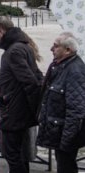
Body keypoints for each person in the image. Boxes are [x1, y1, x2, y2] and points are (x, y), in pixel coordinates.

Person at [0, 16, 43, 173]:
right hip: (19, 111)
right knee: (20, 155)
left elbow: (30, 82)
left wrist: (35, 108)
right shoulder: (23, 47)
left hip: (14, 113)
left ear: (0, 31)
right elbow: (36, 77)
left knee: (12, 155)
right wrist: (0, 87)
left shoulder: (14, 51)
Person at [36, 32, 85, 173]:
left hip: (65, 134)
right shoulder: (59, 66)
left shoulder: (75, 70)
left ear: (68, 50)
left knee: (66, 167)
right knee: (63, 165)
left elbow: (76, 110)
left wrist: (67, 140)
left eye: (56, 46)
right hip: (58, 131)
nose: (51, 48)